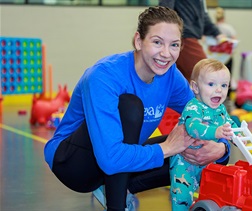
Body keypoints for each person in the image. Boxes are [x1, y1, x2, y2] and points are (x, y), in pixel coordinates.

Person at [43, 6, 230, 211]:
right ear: (138, 41)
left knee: (196, 140)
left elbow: (207, 114)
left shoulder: (170, 76)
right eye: (157, 42)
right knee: (130, 107)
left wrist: (221, 148)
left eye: (174, 45)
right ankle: (117, 205)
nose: (166, 54)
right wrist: (167, 148)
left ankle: (113, 188)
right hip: (74, 164)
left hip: (118, 159)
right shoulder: (104, 76)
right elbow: (110, 158)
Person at [169, 58, 238, 211]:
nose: (218, 90)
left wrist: (238, 136)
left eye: (224, 85)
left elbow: (229, 124)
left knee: (212, 194)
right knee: (182, 198)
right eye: (211, 84)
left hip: (207, 163)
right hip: (184, 165)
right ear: (195, 87)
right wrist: (217, 131)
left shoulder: (220, 109)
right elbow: (194, 128)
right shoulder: (193, 107)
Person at [159, 0, 226, 81]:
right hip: (184, 37)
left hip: (187, 37)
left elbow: (203, 15)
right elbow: (165, 10)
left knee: (184, 82)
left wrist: (217, 34)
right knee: (206, 75)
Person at [215, 7, 237, 73]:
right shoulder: (229, 28)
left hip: (215, 56)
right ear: (224, 17)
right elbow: (234, 42)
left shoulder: (213, 27)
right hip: (227, 56)